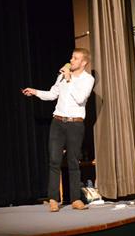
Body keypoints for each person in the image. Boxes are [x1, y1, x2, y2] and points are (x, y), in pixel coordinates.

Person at [22, 48, 95, 212]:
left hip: (75, 124)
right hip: (58, 122)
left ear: (83, 62)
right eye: (72, 57)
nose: (72, 60)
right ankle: (54, 199)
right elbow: (52, 94)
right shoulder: (61, 76)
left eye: (75, 58)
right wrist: (35, 92)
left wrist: (69, 79)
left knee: (73, 162)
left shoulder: (87, 79)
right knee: (54, 161)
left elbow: (80, 98)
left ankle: (76, 199)